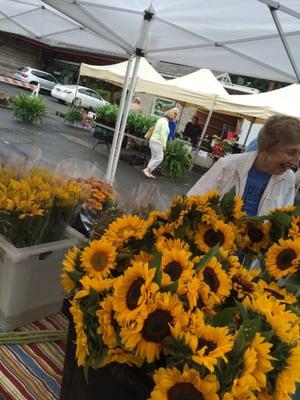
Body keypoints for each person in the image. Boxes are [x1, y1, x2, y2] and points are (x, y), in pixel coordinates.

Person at [188, 115, 300, 216]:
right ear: (267, 146)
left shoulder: (288, 178)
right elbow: (192, 200)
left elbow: (284, 219)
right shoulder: (228, 165)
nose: (297, 161)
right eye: (291, 152)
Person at [143, 109, 176, 179]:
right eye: (174, 116)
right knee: (160, 158)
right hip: (158, 142)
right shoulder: (165, 123)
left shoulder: (160, 120)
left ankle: (148, 171)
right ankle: (147, 169)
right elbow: (163, 134)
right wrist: (164, 145)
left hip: (153, 140)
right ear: (171, 117)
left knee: (154, 157)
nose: (174, 118)